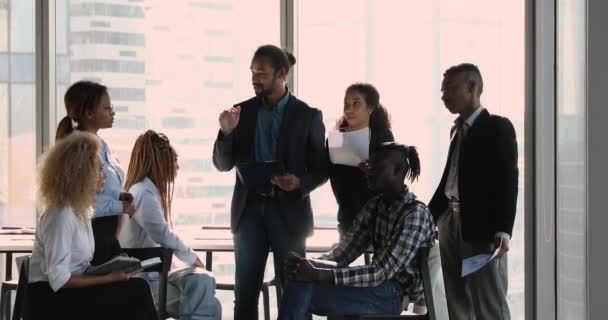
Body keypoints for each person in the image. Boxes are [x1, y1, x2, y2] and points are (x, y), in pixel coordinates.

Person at [212, 44, 327, 319]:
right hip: (248, 213)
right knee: (245, 295)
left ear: (282, 73)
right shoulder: (241, 112)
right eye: (252, 72)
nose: (255, 79)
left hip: (289, 213)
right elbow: (222, 164)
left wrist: (299, 182)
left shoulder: (308, 116)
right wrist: (226, 133)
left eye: (261, 73)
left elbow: (322, 168)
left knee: (294, 295)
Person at [278, 143, 436, 319]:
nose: (369, 171)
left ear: (398, 170)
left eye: (377, 166)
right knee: (300, 280)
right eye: (371, 165)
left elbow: (379, 272)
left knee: (301, 286)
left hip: (393, 295)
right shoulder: (375, 206)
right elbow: (341, 254)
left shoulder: (415, 214)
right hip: (373, 289)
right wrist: (307, 264)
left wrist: (319, 273)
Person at [26, 132, 157, 320]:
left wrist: (115, 269)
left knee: (134, 293)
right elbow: (58, 280)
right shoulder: (61, 215)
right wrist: (109, 278)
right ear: (81, 174)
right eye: (99, 170)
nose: (104, 175)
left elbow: (78, 267)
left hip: (68, 295)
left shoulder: (82, 211)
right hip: (49, 300)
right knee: (137, 291)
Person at [429, 63, 518, 320]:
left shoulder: (497, 127)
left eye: (450, 88)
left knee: (489, 302)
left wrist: (503, 229)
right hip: (451, 222)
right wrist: (429, 216)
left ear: (472, 87)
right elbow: (449, 179)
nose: (444, 95)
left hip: (481, 228)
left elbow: (508, 181)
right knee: (457, 302)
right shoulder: (457, 130)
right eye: (443, 90)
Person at [118, 130, 222, 320]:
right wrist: (192, 258)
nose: (177, 167)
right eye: (174, 161)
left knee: (202, 280)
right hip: (147, 280)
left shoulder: (147, 191)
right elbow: (163, 235)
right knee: (209, 304)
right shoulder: (143, 193)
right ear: (161, 163)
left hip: (160, 272)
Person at [55, 80, 135, 265]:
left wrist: (119, 196)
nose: (112, 113)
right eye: (107, 108)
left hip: (107, 235)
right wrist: (119, 207)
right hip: (89, 238)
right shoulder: (78, 147)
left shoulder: (101, 144)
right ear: (89, 113)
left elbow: (97, 190)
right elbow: (77, 204)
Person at [328, 83, 394, 238]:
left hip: (377, 213)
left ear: (370, 108)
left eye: (356, 104)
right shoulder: (336, 138)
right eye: (346, 104)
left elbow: (391, 176)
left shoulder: (383, 136)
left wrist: (374, 171)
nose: (349, 109)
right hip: (346, 212)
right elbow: (332, 176)